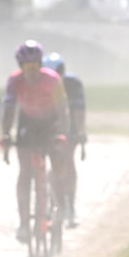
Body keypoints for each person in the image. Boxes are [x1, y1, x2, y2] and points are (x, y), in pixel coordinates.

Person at [1, 41, 70, 243]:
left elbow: (63, 110)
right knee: (25, 171)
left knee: (56, 163)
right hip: (28, 123)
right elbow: (9, 110)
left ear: (41, 64)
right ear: (21, 67)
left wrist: (63, 134)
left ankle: (59, 206)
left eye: (35, 66)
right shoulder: (14, 81)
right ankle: (23, 223)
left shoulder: (52, 79)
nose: (32, 71)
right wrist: (6, 134)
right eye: (27, 67)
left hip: (51, 122)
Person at [43, 51, 85, 227]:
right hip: (49, 124)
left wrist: (80, 133)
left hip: (70, 127)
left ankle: (70, 206)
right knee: (50, 165)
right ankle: (50, 203)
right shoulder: (43, 82)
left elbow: (78, 111)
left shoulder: (73, 83)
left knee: (67, 161)